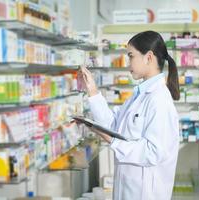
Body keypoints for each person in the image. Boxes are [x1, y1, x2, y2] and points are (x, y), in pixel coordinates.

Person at [79, 30, 180, 200]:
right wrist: (92, 91)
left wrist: (110, 139)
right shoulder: (138, 95)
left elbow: (153, 152)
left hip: (145, 193)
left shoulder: (159, 99)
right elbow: (113, 124)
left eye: (131, 56)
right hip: (128, 189)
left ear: (148, 57)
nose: (128, 63)